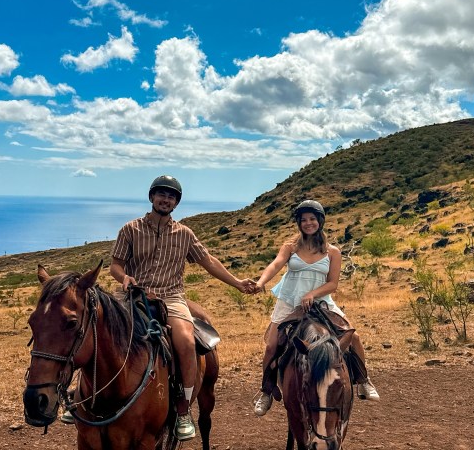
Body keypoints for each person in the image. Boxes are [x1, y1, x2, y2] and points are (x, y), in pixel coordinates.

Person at [108, 175, 255, 440]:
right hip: (133, 295)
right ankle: (81, 394)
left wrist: (237, 283)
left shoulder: (184, 234)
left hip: (171, 297)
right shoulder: (130, 229)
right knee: (99, 329)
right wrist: (124, 278)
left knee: (187, 342)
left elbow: (208, 261)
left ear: (176, 203)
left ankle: (184, 406)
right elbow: (116, 264)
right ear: (152, 197)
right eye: (162, 194)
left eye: (172, 196)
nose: (166, 199)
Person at [251, 199, 380, 417]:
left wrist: (312, 294)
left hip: (321, 302)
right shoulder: (290, 247)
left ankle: (363, 380)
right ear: (298, 223)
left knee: (353, 337)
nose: (308, 223)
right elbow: (275, 264)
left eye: (312, 219)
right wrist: (261, 282)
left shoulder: (332, 251)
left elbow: (333, 283)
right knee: (272, 346)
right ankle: (266, 390)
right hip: (289, 301)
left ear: (320, 221)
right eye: (304, 220)